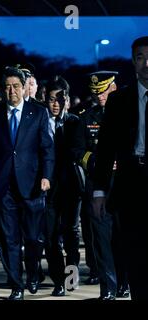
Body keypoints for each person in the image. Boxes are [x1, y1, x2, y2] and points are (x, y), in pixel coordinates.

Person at [0, 67, 54, 300]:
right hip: (3, 187)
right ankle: (16, 285)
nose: (12, 91)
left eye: (16, 86)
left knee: (33, 238)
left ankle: (33, 273)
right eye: (7, 86)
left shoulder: (39, 112)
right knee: (9, 239)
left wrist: (46, 176)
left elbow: (47, 148)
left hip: (33, 185)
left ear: (24, 87)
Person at [92, 36, 148, 301]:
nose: (147, 63)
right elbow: (104, 150)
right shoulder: (119, 101)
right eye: (140, 57)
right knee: (134, 254)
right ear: (133, 61)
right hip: (130, 185)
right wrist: (99, 191)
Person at [72, 71, 120, 294]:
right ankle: (107, 288)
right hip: (97, 184)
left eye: (103, 91)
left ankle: (125, 283)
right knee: (101, 239)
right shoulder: (87, 117)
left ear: (113, 87)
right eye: (96, 93)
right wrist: (97, 162)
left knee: (123, 237)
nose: (100, 97)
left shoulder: (129, 113)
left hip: (124, 184)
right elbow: (78, 151)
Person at [43, 76, 81, 297]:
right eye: (51, 99)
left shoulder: (75, 122)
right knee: (50, 237)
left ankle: (70, 277)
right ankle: (58, 280)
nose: (55, 103)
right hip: (48, 189)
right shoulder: (39, 121)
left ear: (67, 99)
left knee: (71, 235)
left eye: (59, 98)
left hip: (71, 188)